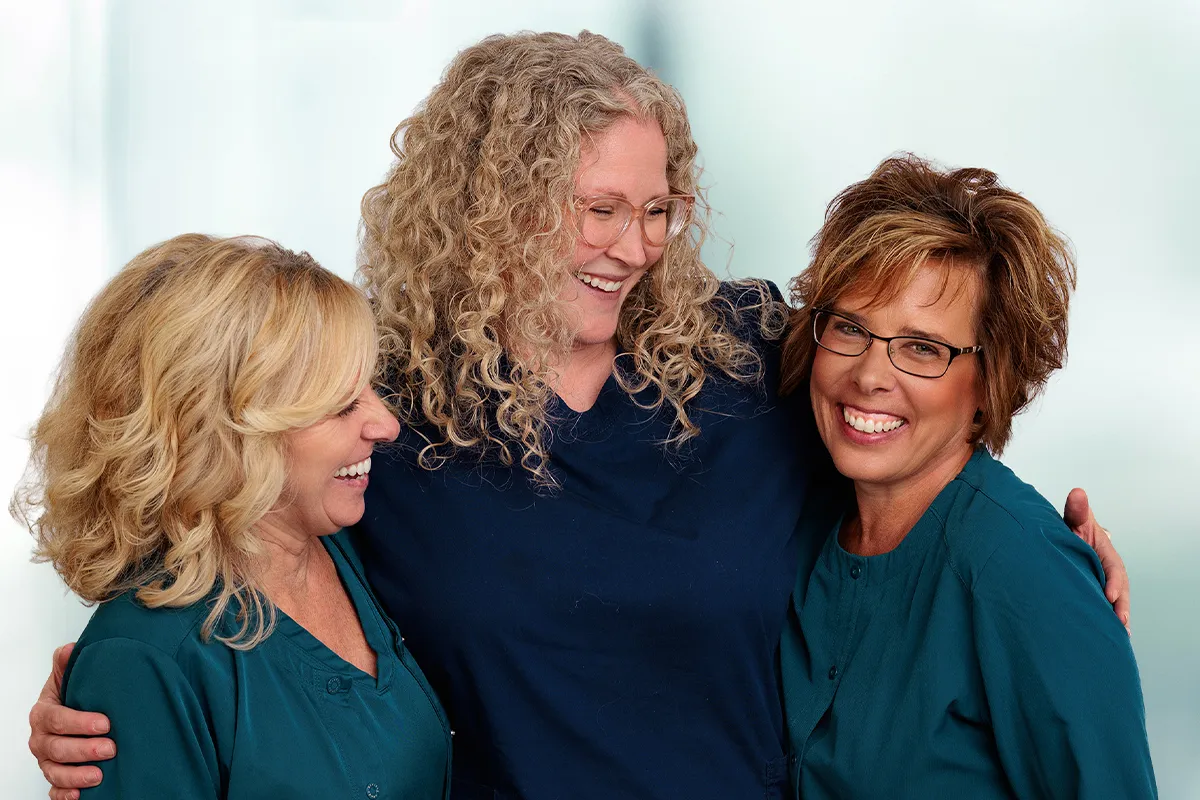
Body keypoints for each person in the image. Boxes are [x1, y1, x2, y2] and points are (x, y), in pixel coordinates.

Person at [26, 32, 1128, 800]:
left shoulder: (752, 357)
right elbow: (223, 524)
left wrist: (1052, 580)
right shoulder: (383, 408)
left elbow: (916, 401)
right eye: (598, 208)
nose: (635, 247)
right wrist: (108, 695)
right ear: (489, 208)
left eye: (656, 209)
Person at [12, 235, 452, 799]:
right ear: (223, 431)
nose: (387, 426)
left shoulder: (347, 541)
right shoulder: (148, 657)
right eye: (341, 405)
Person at [777, 155, 1155, 797]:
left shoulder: (1026, 573)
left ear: (988, 382)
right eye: (850, 328)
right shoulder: (796, 508)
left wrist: (1054, 572)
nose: (869, 375)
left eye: (922, 347)